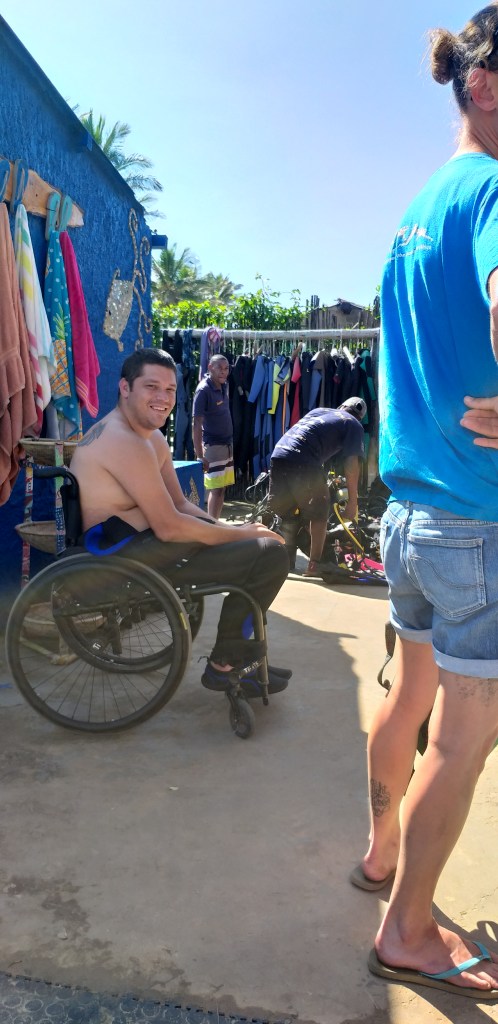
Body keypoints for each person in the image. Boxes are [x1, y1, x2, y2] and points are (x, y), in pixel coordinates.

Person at [352, 5, 498, 1000]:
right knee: (463, 735)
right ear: (483, 86)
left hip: (407, 514)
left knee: (408, 699)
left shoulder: (417, 210)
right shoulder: (492, 191)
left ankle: (380, 856)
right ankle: (407, 929)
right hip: (474, 518)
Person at [70, 348, 291, 698]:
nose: (163, 398)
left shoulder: (150, 437)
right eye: (151, 387)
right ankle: (226, 664)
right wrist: (240, 536)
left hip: (142, 543)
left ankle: (238, 656)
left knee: (258, 545)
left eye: (170, 390)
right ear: (125, 387)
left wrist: (232, 531)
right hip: (119, 557)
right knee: (270, 556)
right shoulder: (121, 439)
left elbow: (180, 504)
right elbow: (170, 526)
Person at [267, 398, 366, 577]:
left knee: (287, 512)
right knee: (320, 512)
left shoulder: (319, 411)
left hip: (279, 453)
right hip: (303, 460)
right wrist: (353, 502)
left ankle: (284, 563)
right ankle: (314, 565)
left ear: (341, 406)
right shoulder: (354, 424)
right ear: (359, 417)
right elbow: (352, 464)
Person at [192, 354, 234, 520]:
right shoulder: (204, 390)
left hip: (226, 445)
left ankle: (214, 523)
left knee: (221, 488)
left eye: (226, 368)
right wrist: (200, 455)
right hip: (213, 446)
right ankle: (211, 525)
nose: (223, 372)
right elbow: (196, 424)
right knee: (215, 489)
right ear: (210, 368)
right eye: (219, 368)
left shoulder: (223, 386)